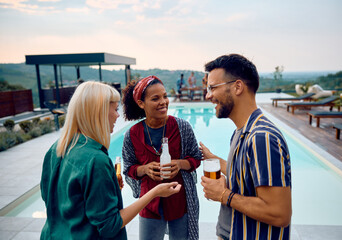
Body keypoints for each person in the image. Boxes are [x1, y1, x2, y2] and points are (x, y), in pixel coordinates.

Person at [40, 81, 181, 239]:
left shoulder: (57, 148)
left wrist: (105, 188)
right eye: (115, 109)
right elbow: (110, 226)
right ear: (98, 112)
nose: (117, 115)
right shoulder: (96, 160)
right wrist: (154, 192)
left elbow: (53, 197)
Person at [200, 54, 292, 240]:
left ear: (237, 86)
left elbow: (279, 213)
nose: (208, 95)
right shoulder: (242, 132)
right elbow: (245, 174)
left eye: (212, 88)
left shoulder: (262, 138)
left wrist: (224, 194)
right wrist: (213, 158)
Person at [122, 75, 202, 240]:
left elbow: (195, 158)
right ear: (141, 103)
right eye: (155, 98)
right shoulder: (132, 134)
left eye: (165, 96)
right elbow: (128, 168)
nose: (163, 102)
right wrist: (145, 169)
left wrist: (180, 164)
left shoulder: (182, 127)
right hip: (149, 204)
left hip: (180, 201)